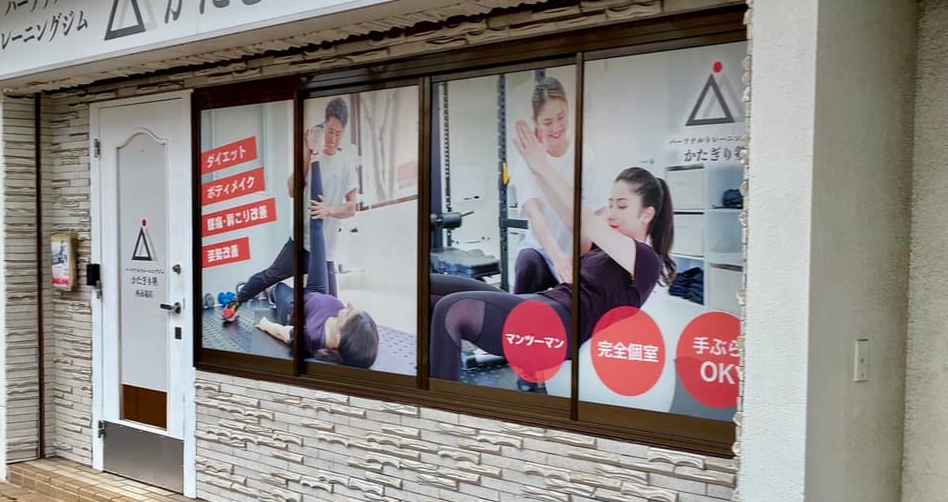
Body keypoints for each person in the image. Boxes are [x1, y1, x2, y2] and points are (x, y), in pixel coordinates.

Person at [428, 155, 674, 389]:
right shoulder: (604, 248)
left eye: (621, 206)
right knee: (430, 286)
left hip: (559, 327)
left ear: (646, 214)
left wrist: (543, 167)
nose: (611, 212)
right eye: (610, 204)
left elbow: (586, 220)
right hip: (543, 304)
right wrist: (538, 174)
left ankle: (442, 406)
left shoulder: (646, 259)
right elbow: (571, 218)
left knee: (452, 309)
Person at [222, 98, 359, 320]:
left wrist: (329, 210)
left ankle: (278, 295)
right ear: (323, 126)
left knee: (330, 307)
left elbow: (351, 207)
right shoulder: (311, 156)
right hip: (300, 244)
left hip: (325, 251)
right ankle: (236, 301)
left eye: (338, 134)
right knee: (269, 275)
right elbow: (293, 190)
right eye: (330, 132)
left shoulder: (346, 164)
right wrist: (308, 150)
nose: (333, 139)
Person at [256, 160, 380, 368]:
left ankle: (270, 292)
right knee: (317, 229)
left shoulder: (310, 336)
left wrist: (264, 324)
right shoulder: (341, 324)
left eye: (350, 312)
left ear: (339, 338)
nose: (349, 305)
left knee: (279, 289)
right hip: (318, 290)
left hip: (295, 305)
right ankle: (314, 161)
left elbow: (285, 333)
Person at [506, 76, 603, 292]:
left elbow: (593, 216)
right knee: (526, 267)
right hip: (541, 251)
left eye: (561, 117)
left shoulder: (584, 155)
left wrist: (576, 260)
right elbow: (536, 215)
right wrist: (557, 256)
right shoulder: (527, 160)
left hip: (578, 250)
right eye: (548, 122)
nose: (557, 127)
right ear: (536, 121)